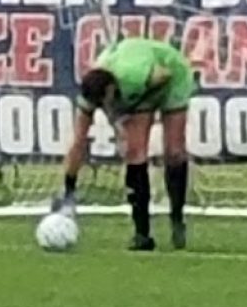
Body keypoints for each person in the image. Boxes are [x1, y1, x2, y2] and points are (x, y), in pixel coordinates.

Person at [57, 37, 196, 251]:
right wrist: (68, 191)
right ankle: (142, 234)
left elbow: (164, 75)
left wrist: (133, 108)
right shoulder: (90, 95)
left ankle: (176, 218)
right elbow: (78, 143)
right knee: (134, 152)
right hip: (135, 90)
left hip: (168, 77)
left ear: (112, 89)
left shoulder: (133, 75)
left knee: (174, 151)